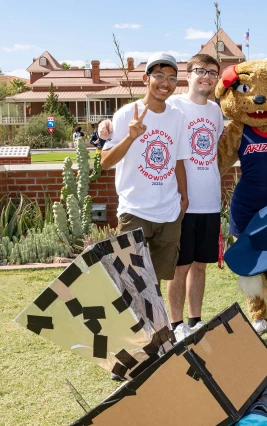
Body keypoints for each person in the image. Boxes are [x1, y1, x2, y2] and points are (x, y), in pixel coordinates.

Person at [100, 51, 190, 294]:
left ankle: (155, 331)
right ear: (145, 78)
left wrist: (184, 197)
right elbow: (106, 162)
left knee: (157, 283)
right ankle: (134, 331)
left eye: (172, 78)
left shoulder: (178, 117)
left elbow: (178, 160)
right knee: (131, 280)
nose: (166, 83)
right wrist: (130, 137)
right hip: (135, 209)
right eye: (159, 75)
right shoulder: (125, 115)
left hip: (169, 211)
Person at [164, 54, 224, 342]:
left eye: (212, 72)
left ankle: (195, 320)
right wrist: (106, 127)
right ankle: (175, 325)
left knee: (200, 265)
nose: (206, 76)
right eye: (200, 71)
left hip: (209, 201)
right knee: (180, 266)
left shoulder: (215, 112)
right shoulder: (172, 105)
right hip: (181, 202)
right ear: (188, 75)